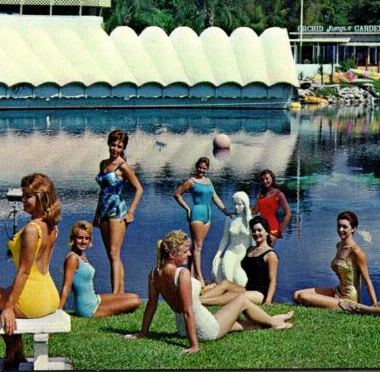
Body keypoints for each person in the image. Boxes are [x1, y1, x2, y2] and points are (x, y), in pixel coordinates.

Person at [124, 230, 293, 354]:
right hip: (205, 328)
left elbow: (152, 305)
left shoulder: (154, 273)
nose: (189, 253)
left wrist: (143, 333)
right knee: (241, 300)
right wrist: (194, 345)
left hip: (183, 329)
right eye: (185, 251)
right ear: (173, 254)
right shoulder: (181, 274)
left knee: (241, 324)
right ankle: (275, 322)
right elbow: (188, 311)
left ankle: (268, 321)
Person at [0, 173, 61, 369]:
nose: (23, 200)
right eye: (23, 195)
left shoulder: (32, 230)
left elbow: (25, 272)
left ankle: (14, 347)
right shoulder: (52, 226)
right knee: (5, 290)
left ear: (42, 197)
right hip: (50, 296)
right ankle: (16, 351)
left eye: (28, 196)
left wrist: (8, 308)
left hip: (33, 300)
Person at [293, 211, 378, 309]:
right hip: (337, 290)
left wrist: (376, 306)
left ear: (353, 228)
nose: (340, 229)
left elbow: (367, 282)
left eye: (345, 227)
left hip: (349, 298)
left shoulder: (357, 252)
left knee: (303, 297)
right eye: (339, 226)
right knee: (296, 294)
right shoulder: (339, 246)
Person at [94, 129, 144, 293]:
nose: (115, 148)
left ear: (123, 148)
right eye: (113, 144)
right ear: (109, 144)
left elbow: (139, 189)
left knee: (115, 253)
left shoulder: (124, 167)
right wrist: (97, 214)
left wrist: (131, 212)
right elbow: (102, 192)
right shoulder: (103, 164)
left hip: (117, 210)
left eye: (119, 146)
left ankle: (115, 294)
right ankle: (120, 292)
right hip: (103, 211)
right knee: (111, 255)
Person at [59, 221, 141, 318]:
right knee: (136, 301)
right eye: (80, 238)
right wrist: (59, 310)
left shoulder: (81, 254)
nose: (83, 241)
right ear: (73, 238)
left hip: (94, 298)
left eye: (87, 238)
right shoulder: (72, 259)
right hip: (87, 308)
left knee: (133, 296)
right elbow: (66, 287)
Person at [173, 157, 231, 286]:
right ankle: (200, 277)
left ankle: (189, 273)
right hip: (197, 214)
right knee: (198, 247)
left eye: (204, 168)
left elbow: (215, 197)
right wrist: (187, 208)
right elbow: (177, 194)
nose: (201, 170)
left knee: (196, 246)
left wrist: (226, 211)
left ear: (207, 169)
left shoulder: (208, 181)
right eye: (200, 167)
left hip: (208, 215)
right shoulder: (191, 181)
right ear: (196, 166)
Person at [201, 216, 279, 306]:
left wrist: (268, 300)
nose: (256, 233)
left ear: (267, 232)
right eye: (253, 231)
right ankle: (198, 299)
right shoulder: (250, 250)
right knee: (225, 283)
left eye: (259, 230)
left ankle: (201, 302)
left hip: (260, 293)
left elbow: (272, 280)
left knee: (237, 296)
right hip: (247, 288)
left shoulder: (270, 254)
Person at [210, 191, 253, 286]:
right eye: (235, 204)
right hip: (231, 250)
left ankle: (236, 290)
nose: (236, 207)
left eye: (239, 204)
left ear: (245, 204)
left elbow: (253, 241)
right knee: (225, 271)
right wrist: (218, 253)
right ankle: (226, 290)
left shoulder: (250, 220)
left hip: (244, 252)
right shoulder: (230, 218)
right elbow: (225, 238)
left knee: (238, 276)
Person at [250, 170, 291, 246]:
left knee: (267, 252)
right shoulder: (261, 195)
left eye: (267, 178)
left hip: (272, 227)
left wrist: (280, 231)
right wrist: (244, 207)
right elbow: (255, 211)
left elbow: (288, 213)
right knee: (258, 253)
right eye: (262, 180)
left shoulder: (279, 194)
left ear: (272, 178)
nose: (265, 181)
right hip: (261, 227)